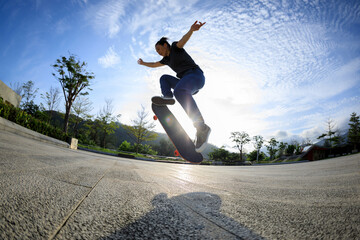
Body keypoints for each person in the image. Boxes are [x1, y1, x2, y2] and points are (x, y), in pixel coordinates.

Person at [137, 20, 211, 152]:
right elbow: (154, 64)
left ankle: (202, 128)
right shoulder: (166, 60)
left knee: (179, 91)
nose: (158, 52)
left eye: (159, 49)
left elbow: (183, 40)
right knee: (164, 78)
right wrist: (143, 64)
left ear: (165, 45)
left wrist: (191, 30)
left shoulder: (176, 48)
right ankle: (167, 96)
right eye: (156, 51)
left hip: (196, 76)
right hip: (184, 82)